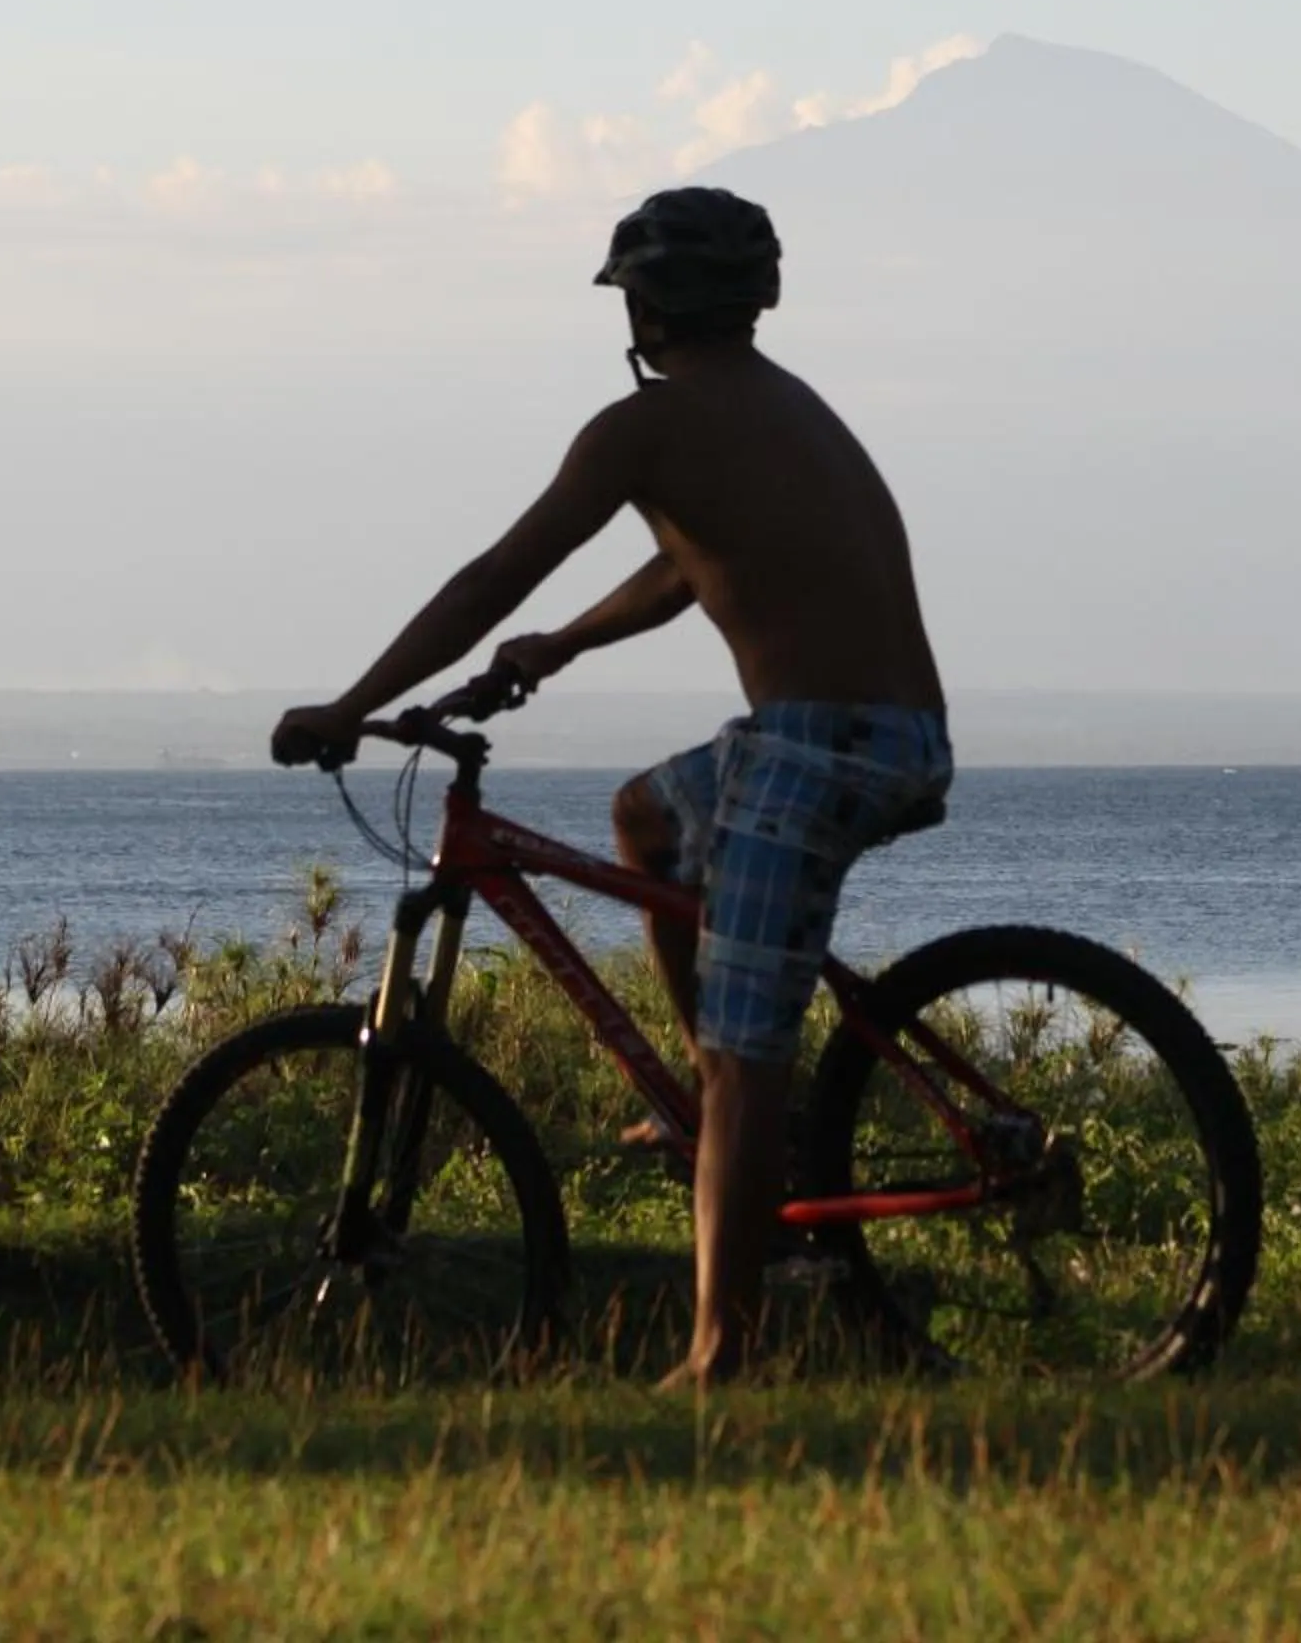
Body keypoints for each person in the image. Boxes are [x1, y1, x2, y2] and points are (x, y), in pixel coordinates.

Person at [269, 186, 952, 1388]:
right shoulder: (784, 407)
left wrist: (350, 703)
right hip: (857, 733)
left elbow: (492, 576)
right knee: (645, 815)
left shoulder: (643, 428)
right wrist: (561, 646)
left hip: (818, 748)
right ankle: (704, 1106)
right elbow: (690, 566)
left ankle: (719, 1350)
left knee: (749, 1058)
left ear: (643, 308)